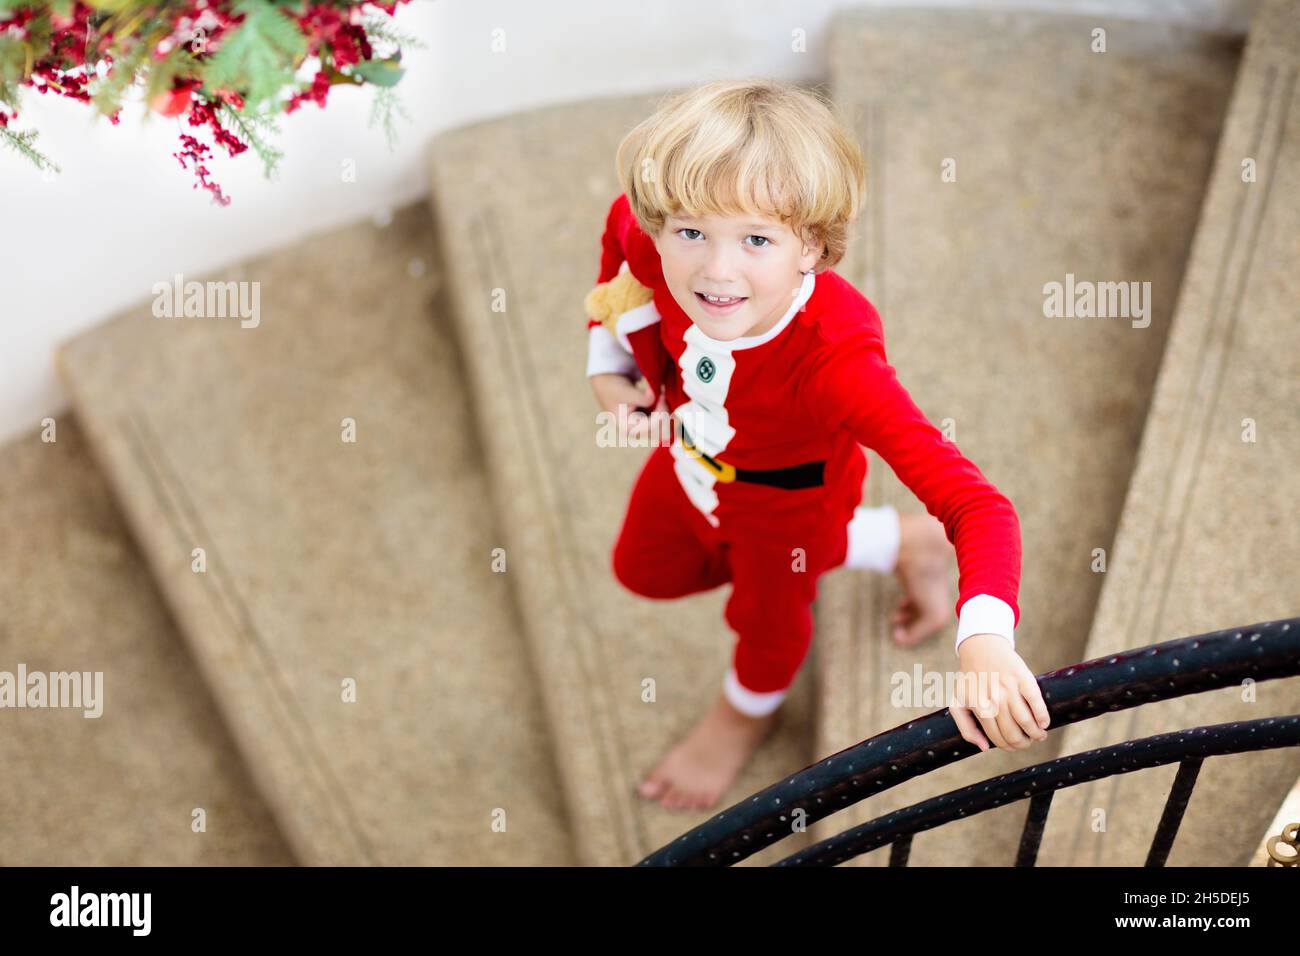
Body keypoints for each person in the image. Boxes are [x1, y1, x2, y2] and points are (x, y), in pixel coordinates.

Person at [584, 79, 1049, 812]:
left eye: (756, 239)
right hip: (687, 461)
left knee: (768, 624)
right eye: (692, 232)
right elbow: (618, 251)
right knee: (645, 570)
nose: (716, 270)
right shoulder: (650, 237)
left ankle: (743, 717)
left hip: (788, 507)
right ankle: (899, 541)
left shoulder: (837, 363)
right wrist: (607, 367)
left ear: (812, 246)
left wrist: (985, 641)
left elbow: (980, 506)